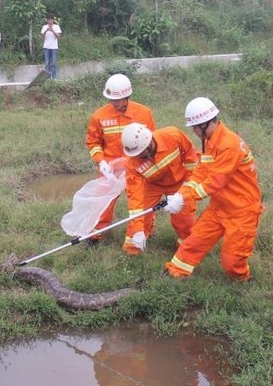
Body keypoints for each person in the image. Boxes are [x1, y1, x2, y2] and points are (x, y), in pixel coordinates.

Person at [164, 97, 263, 282]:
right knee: (193, 242)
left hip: (242, 212)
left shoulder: (228, 145)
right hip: (219, 207)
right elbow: (201, 172)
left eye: (195, 127)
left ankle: (242, 280)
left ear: (206, 123)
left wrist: (187, 197)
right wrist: (181, 194)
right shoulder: (211, 141)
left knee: (232, 262)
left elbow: (215, 181)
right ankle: (174, 272)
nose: (193, 132)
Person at [85, 74, 156, 242]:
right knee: (102, 203)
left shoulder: (143, 113)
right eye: (110, 99)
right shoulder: (99, 116)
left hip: (137, 167)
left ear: (127, 97)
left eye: (117, 100)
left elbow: (151, 140)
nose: (113, 103)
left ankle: (144, 232)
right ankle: (97, 234)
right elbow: (93, 142)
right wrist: (100, 161)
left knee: (141, 201)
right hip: (110, 168)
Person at [120, 123, 198, 255]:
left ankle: (187, 246)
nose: (137, 157)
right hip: (152, 185)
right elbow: (135, 198)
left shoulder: (172, 135)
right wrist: (138, 230)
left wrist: (189, 185)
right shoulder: (132, 163)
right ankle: (133, 248)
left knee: (184, 219)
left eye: (140, 153)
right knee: (140, 216)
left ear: (149, 143)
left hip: (179, 182)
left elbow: (191, 158)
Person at [41, 12, 62, 79]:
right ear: (47, 20)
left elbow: (58, 37)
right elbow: (42, 38)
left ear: (53, 20)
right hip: (46, 47)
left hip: (54, 47)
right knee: (47, 63)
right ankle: (46, 78)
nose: (50, 21)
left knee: (53, 63)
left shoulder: (56, 27)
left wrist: (52, 30)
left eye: (51, 19)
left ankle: (54, 78)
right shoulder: (44, 27)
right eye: (48, 19)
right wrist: (46, 31)